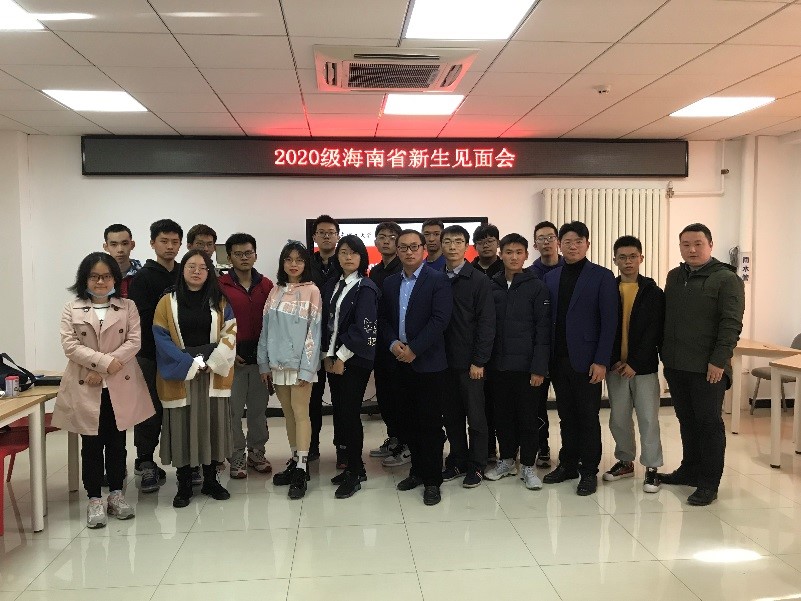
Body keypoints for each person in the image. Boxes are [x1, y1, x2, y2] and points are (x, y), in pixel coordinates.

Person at [54, 252, 154, 528]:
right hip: (86, 384)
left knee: (117, 442)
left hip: (118, 382)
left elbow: (134, 342)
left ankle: (117, 494)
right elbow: (70, 345)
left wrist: (102, 369)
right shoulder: (72, 308)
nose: (101, 282)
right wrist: (103, 364)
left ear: (115, 279)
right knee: (91, 444)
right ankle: (94, 498)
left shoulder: (127, 306)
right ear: (84, 278)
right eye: (94, 276)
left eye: (106, 276)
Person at [658, 223, 744, 506]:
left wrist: (719, 361)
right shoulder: (675, 276)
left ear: (710, 245)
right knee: (687, 421)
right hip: (676, 365)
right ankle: (689, 470)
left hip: (708, 368)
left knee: (709, 424)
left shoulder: (726, 279)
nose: (692, 250)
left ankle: (708, 483)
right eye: (686, 244)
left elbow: (731, 323)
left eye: (698, 244)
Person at [153, 250, 237, 508]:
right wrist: (187, 363)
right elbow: (161, 337)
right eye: (191, 266)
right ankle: (184, 484)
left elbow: (230, 332)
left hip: (211, 375)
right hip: (181, 376)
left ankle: (211, 480)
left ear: (209, 272)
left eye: (202, 267)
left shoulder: (220, 301)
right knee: (182, 428)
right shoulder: (166, 302)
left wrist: (213, 362)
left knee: (212, 426)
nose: (197, 271)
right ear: (183, 270)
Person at [543, 221, 618, 496]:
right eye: (567, 242)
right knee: (565, 416)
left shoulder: (602, 276)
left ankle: (588, 471)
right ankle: (568, 464)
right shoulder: (551, 278)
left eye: (578, 241)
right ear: (559, 245)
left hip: (588, 361)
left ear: (587, 244)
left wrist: (602, 360)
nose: (572, 246)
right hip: (558, 358)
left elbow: (609, 322)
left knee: (587, 416)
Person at [379, 229, 452, 506]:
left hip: (429, 364)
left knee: (430, 425)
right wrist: (393, 344)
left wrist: (415, 349)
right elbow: (383, 319)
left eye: (414, 246)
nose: (409, 252)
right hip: (399, 362)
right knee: (408, 422)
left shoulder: (438, 279)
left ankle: (433, 480)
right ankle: (417, 472)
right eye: (403, 247)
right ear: (397, 251)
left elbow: (440, 319)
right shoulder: (389, 282)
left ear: (423, 249)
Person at [484, 234, 551, 490]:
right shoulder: (492, 285)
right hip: (498, 366)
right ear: (500, 254)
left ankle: (529, 466)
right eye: (509, 252)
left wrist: (539, 368)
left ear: (526, 255)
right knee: (502, 417)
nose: (513, 257)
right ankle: (507, 461)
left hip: (527, 368)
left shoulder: (537, 287)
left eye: (518, 252)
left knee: (527, 418)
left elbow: (543, 330)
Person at [257, 241, 322, 500]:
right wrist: (264, 363)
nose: (293, 264)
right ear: (282, 263)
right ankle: (295, 460)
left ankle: (303, 468)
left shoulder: (312, 291)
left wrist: (307, 368)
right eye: (288, 259)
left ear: (306, 264)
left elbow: (314, 332)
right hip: (277, 364)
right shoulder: (275, 291)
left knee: (301, 413)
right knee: (288, 415)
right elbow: (266, 330)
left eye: (299, 260)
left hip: (300, 365)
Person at [603, 236, 665, 493]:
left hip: (644, 369)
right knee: (618, 418)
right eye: (622, 257)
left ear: (641, 258)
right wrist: (613, 360)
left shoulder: (653, 292)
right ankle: (625, 461)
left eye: (632, 256)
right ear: (614, 260)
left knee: (648, 418)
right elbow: (604, 327)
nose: (628, 262)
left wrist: (636, 363)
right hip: (616, 368)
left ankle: (652, 467)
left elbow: (654, 331)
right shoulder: (608, 289)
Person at [321, 235, 380, 498]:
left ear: (362, 258)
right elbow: (328, 325)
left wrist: (341, 357)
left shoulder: (365, 287)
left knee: (350, 414)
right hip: (334, 358)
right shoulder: (334, 284)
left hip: (353, 360)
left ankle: (355, 471)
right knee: (341, 413)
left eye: (353, 253)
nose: (348, 257)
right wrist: (327, 355)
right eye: (343, 252)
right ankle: (354, 468)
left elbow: (364, 329)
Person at [128, 219, 183, 493]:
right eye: (164, 241)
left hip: (183, 356)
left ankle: (187, 463)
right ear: (152, 243)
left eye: (175, 242)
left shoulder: (186, 273)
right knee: (149, 411)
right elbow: (143, 319)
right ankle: (145, 461)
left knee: (182, 408)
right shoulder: (143, 278)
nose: (170, 246)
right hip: (150, 355)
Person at [439, 225, 495, 488]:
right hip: (442, 362)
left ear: (466, 246)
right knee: (451, 417)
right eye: (447, 241)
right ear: (441, 245)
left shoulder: (478, 280)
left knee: (476, 417)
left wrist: (479, 360)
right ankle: (457, 460)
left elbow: (487, 323)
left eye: (458, 241)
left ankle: (477, 464)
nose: (452, 246)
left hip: (470, 364)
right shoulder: (435, 277)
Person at [218, 233, 274, 479]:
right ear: (229, 257)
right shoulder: (220, 286)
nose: (244, 258)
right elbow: (215, 322)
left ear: (255, 255)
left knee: (258, 411)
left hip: (261, 360)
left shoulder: (267, 285)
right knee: (232, 411)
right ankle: (236, 454)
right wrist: (228, 351)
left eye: (248, 253)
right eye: (238, 254)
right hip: (233, 360)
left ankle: (257, 452)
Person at [526, 220, 565, 469]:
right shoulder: (529, 274)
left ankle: (571, 451)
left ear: (558, 241)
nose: (546, 242)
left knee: (568, 405)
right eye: (541, 238)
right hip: (537, 350)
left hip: (564, 350)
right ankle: (542, 447)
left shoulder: (570, 269)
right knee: (536, 405)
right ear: (535, 244)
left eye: (550, 237)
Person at [367, 221, 405, 462]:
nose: (386, 241)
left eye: (392, 237)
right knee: (385, 396)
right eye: (382, 237)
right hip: (380, 343)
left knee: (401, 397)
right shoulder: (375, 272)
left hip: (401, 344)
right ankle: (393, 438)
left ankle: (405, 442)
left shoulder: (405, 269)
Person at [309, 214, 342, 465]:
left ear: (337, 236)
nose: (326, 236)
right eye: (322, 232)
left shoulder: (346, 262)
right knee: (312, 400)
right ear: (315, 237)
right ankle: (311, 447)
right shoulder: (306, 264)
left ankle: (343, 449)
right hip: (311, 343)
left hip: (338, 343)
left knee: (341, 400)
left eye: (331, 232)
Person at [103, 224, 141, 298]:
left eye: (125, 244)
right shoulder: (98, 276)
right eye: (114, 244)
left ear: (132, 245)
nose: (120, 250)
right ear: (106, 247)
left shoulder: (144, 275)